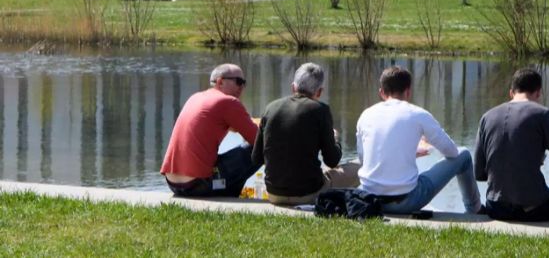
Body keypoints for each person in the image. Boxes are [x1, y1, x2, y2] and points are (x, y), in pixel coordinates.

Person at [475, 68, 549, 222]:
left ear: (511, 93)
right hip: (533, 209)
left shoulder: (486, 117)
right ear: (538, 92)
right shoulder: (542, 115)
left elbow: (479, 173)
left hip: (496, 207)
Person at [356, 66, 482, 214]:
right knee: (464, 154)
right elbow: (452, 152)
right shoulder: (418, 114)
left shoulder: (366, 115)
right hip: (406, 201)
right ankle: (475, 210)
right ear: (408, 92)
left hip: (368, 199)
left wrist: (407, 151)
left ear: (381, 92)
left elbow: (364, 159)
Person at [251, 63, 360, 205]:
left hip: (274, 194)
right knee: (360, 167)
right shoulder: (320, 110)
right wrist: (335, 140)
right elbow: (332, 160)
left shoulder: (271, 107)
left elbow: (256, 158)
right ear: (319, 92)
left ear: (293, 87)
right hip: (308, 193)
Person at [160, 64, 260, 197]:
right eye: (238, 82)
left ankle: (230, 194)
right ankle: (282, 190)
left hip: (173, 184)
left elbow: (238, 126)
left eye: (243, 83)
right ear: (220, 81)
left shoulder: (196, 97)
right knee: (261, 147)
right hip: (198, 185)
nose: (242, 87)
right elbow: (258, 139)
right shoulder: (228, 102)